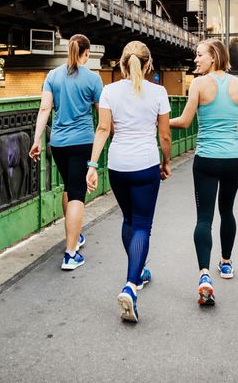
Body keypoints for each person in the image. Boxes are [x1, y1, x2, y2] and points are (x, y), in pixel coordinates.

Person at [169, 38, 238, 306]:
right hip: (233, 158)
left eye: (199, 55)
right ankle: (227, 263)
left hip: (206, 159)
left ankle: (204, 275)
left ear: (214, 57)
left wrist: (160, 119)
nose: (195, 60)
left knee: (204, 218)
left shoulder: (198, 85)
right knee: (227, 211)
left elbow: (184, 122)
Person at [86, 41, 172, 323]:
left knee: (129, 220)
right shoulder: (158, 92)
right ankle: (131, 285)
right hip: (146, 164)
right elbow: (165, 136)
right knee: (143, 225)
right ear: (148, 65)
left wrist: (92, 164)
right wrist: (166, 161)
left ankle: (139, 271)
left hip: (118, 166)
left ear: (122, 64)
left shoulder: (109, 91)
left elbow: (102, 129)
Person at [29, 34, 103, 270]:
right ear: (87, 53)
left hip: (58, 143)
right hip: (82, 142)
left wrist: (37, 139)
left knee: (69, 188)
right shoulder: (93, 79)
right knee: (78, 194)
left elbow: (44, 108)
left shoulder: (53, 75)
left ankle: (74, 236)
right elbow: (103, 117)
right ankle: (70, 254)